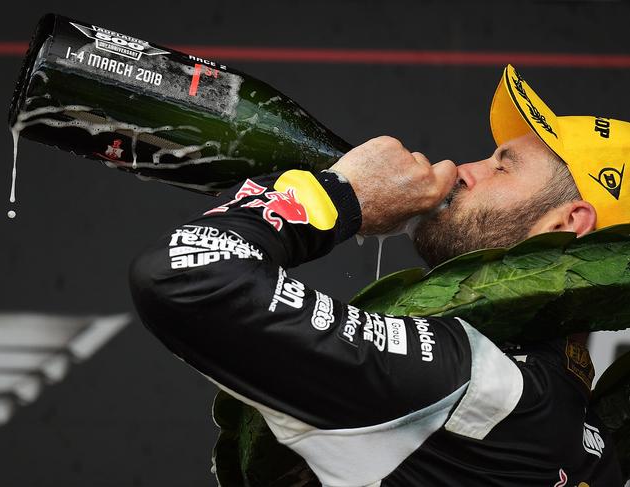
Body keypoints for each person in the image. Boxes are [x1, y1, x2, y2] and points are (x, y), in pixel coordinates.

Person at [129, 65, 630, 486]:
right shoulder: (573, 417)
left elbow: (185, 273)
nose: (460, 168)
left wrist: (341, 196)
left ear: (568, 223)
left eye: (503, 166)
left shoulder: (479, 386)